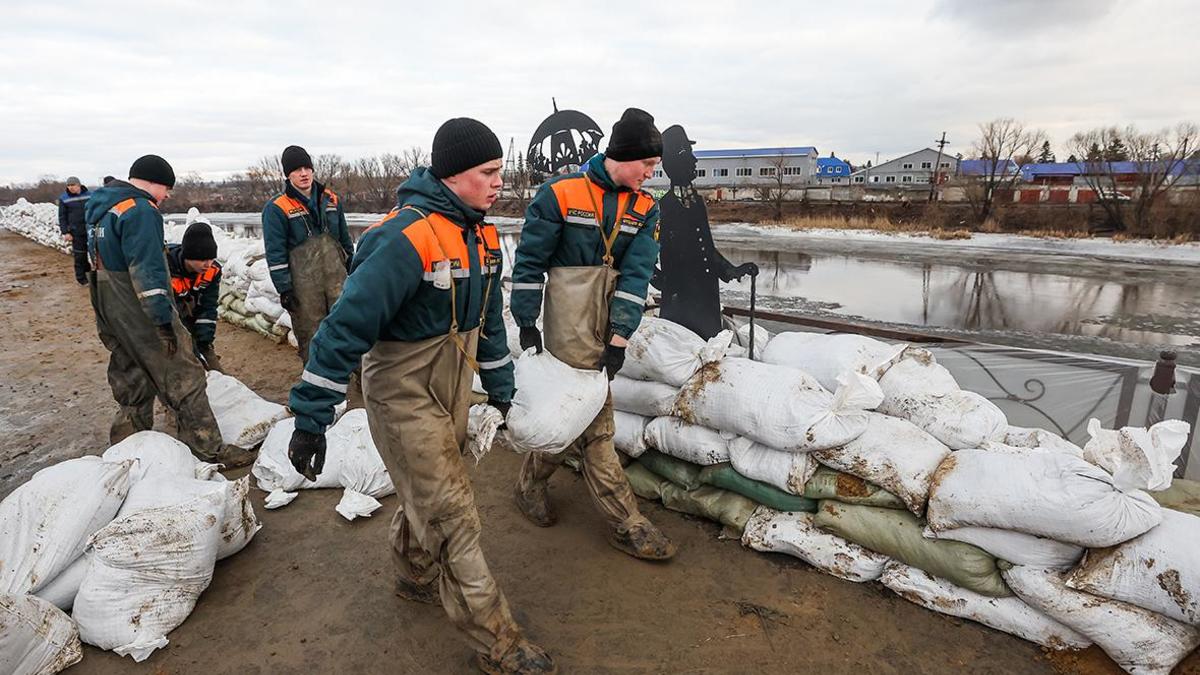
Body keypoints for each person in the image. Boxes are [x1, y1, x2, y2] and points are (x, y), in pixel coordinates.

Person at [286, 119, 555, 674]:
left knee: (431, 497)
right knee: (453, 513)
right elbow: (344, 328)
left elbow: (490, 325)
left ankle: (413, 574)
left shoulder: (480, 236)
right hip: (403, 393)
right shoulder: (403, 237)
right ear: (454, 175)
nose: (498, 182)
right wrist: (311, 417)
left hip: (452, 388)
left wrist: (502, 391)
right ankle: (498, 642)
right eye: (488, 172)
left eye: (500, 171)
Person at [510, 108, 677, 561]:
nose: (650, 173)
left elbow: (636, 275)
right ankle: (627, 523)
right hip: (565, 326)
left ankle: (529, 485)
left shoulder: (646, 207)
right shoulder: (559, 194)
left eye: (654, 167)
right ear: (623, 155)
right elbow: (529, 263)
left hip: (604, 323)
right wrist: (526, 320)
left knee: (572, 417)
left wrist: (620, 338)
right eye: (646, 164)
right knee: (596, 428)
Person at [84, 155, 255, 467]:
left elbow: (90, 266)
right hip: (140, 310)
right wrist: (163, 321)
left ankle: (126, 454)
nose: (165, 198)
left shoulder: (101, 210)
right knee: (185, 375)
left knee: (131, 375)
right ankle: (208, 449)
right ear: (155, 182)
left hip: (110, 305)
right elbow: (147, 269)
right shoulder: (140, 210)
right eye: (167, 191)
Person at [653, 124, 758, 339]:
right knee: (682, 355)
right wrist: (664, 283)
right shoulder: (662, 207)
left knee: (709, 354)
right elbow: (641, 254)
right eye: (688, 155)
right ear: (674, 162)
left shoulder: (697, 202)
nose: (694, 161)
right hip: (679, 303)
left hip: (705, 296)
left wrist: (732, 271)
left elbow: (706, 248)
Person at [261, 145, 355, 364]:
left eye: (307, 167)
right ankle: (316, 389)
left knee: (347, 328)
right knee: (312, 336)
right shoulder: (277, 208)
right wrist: (284, 289)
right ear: (288, 174)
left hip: (336, 281)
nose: (303, 173)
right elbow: (275, 254)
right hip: (304, 288)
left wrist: (354, 269)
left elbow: (345, 240)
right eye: (296, 169)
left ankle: (358, 377)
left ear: (313, 170)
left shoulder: (332, 200)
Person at [167, 219, 224, 372]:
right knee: (185, 362)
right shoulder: (167, 270)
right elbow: (173, 315)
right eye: (202, 259)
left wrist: (205, 340)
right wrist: (191, 347)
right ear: (188, 256)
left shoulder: (212, 271)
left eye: (211, 258)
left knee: (214, 370)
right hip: (171, 318)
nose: (208, 264)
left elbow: (209, 305)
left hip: (193, 312)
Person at [57, 176, 91, 285]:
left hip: (91, 229)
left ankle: (91, 274)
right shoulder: (64, 198)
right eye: (69, 185)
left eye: (73, 185)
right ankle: (81, 278)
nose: (71, 187)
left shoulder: (90, 195)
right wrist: (65, 232)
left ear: (79, 185)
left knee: (94, 254)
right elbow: (62, 217)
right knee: (80, 255)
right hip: (76, 231)